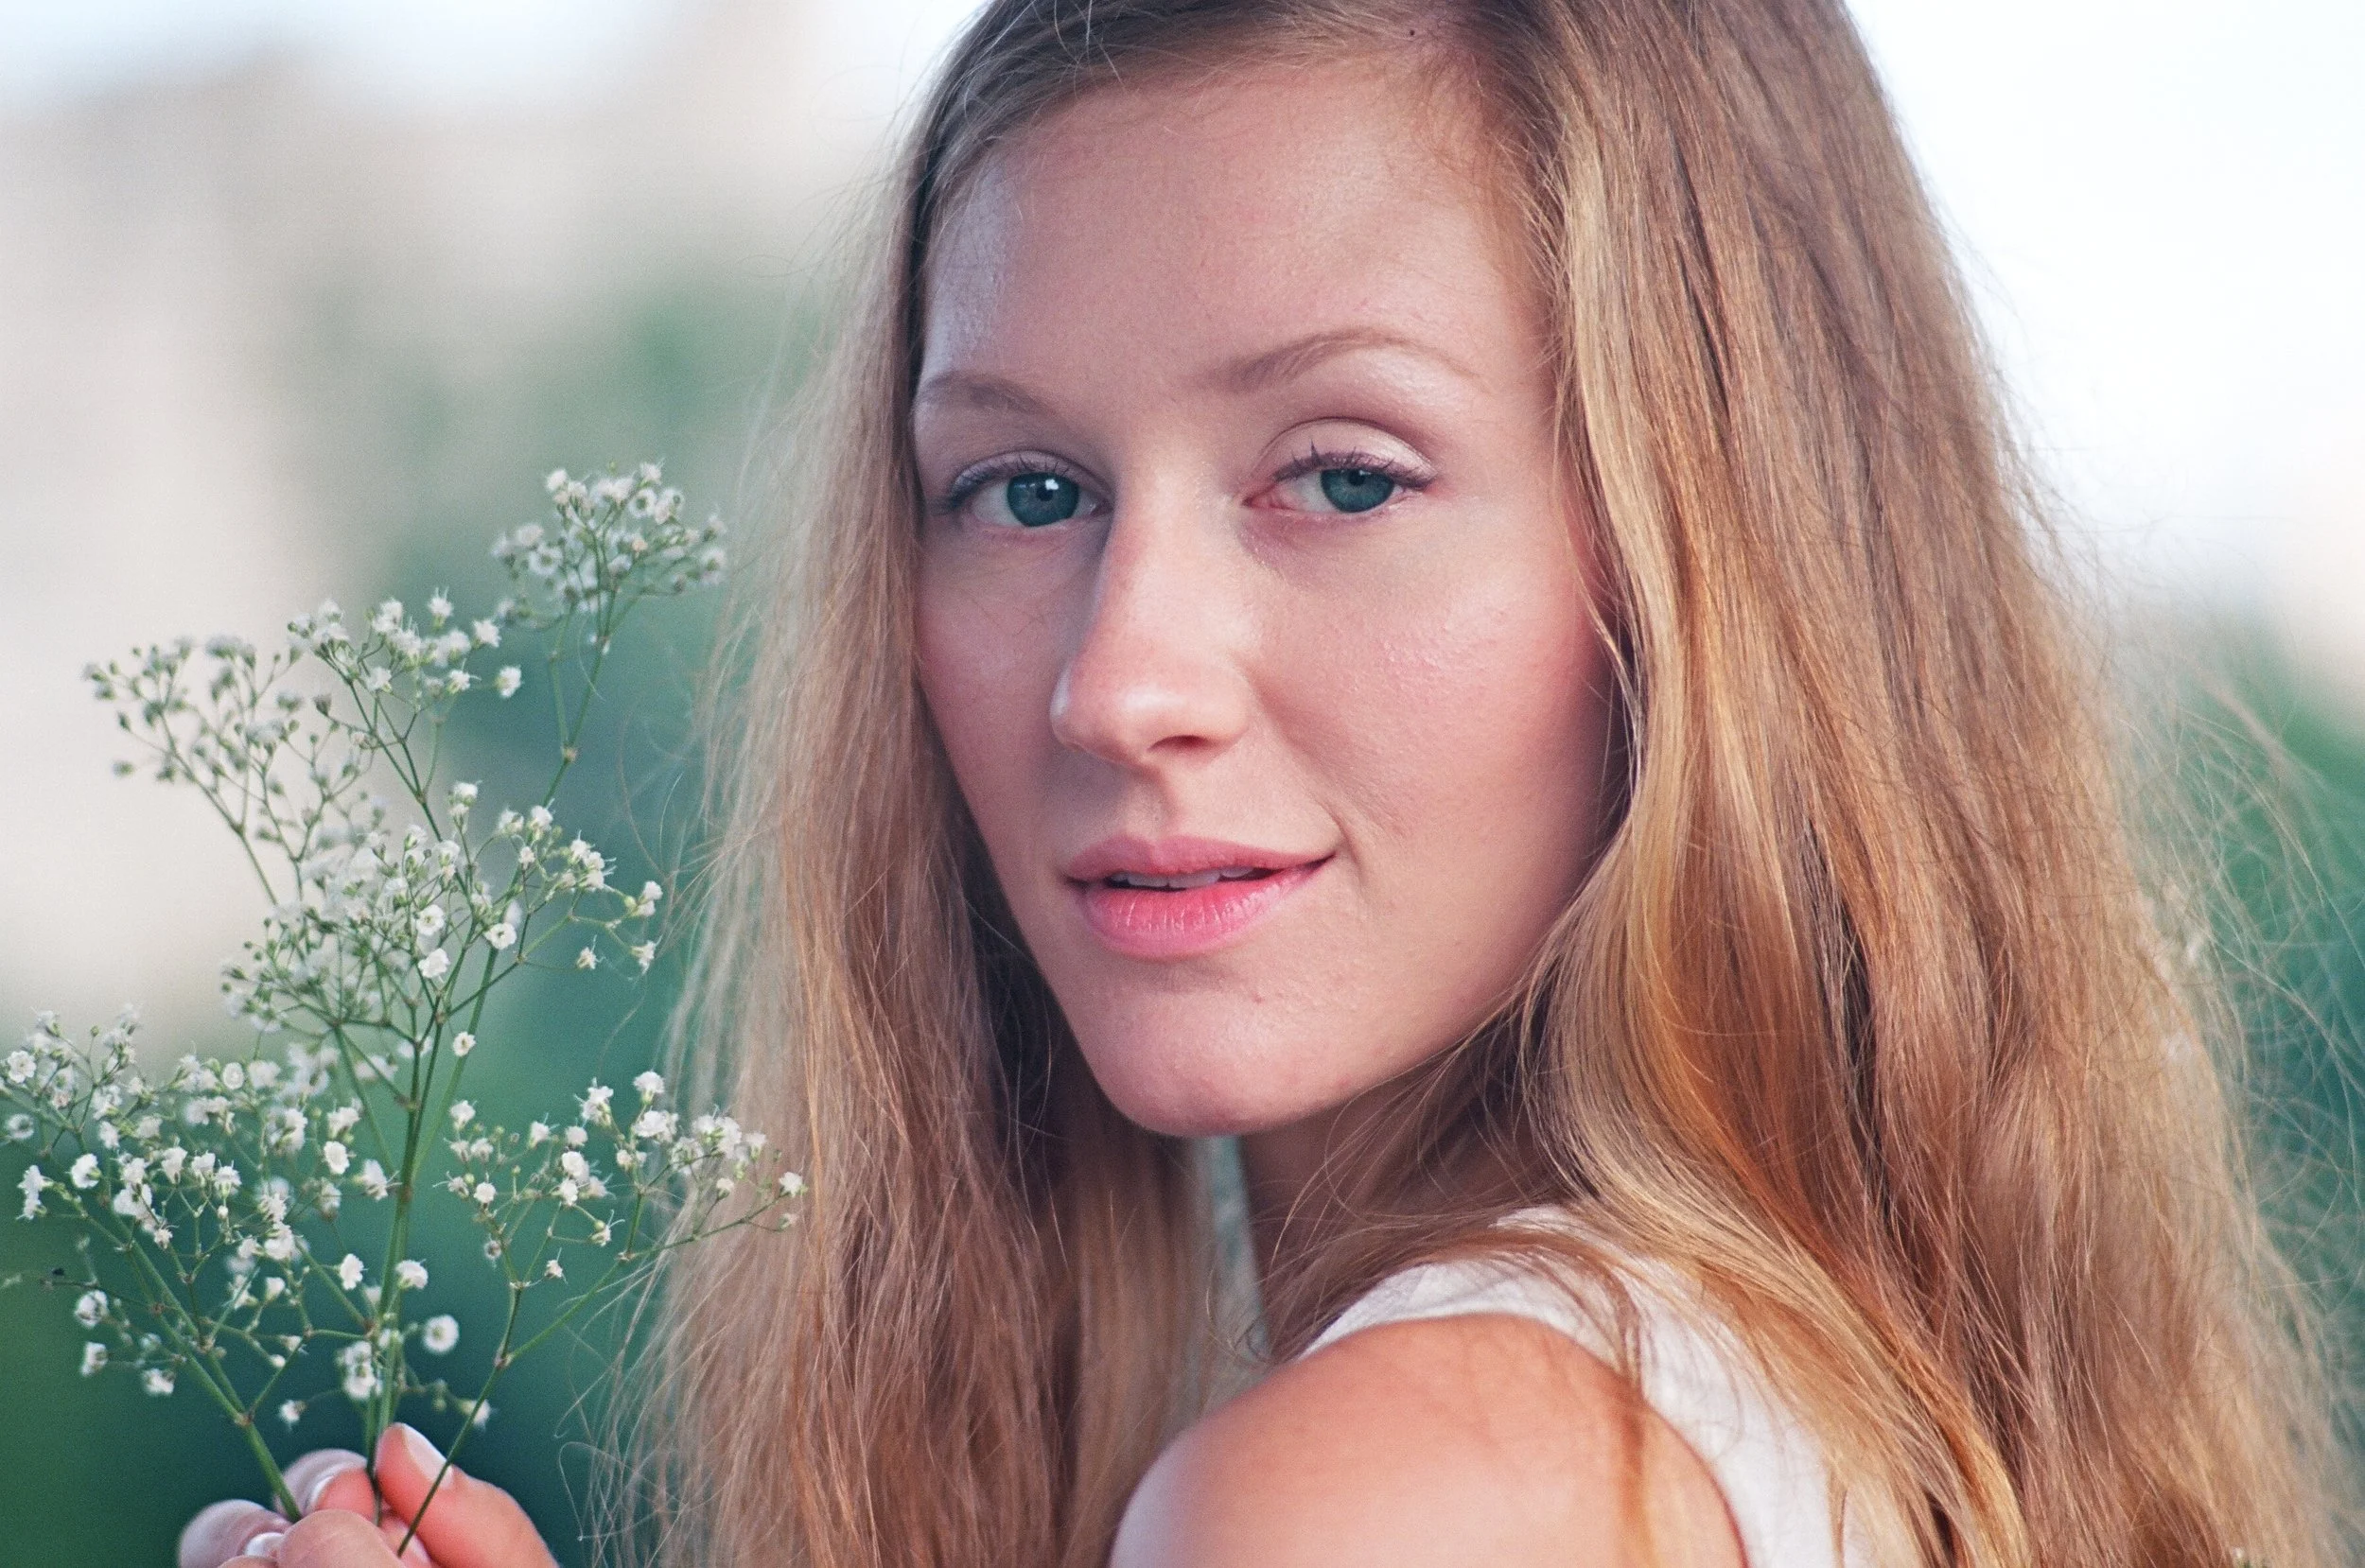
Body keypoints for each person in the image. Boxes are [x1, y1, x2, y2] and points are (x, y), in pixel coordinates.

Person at [178, 2, 2348, 1565]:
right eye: (1020, 487)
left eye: (1339, 472)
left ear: (1725, 565)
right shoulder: (1849, 1404)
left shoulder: (1383, 1493)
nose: (1118, 680)